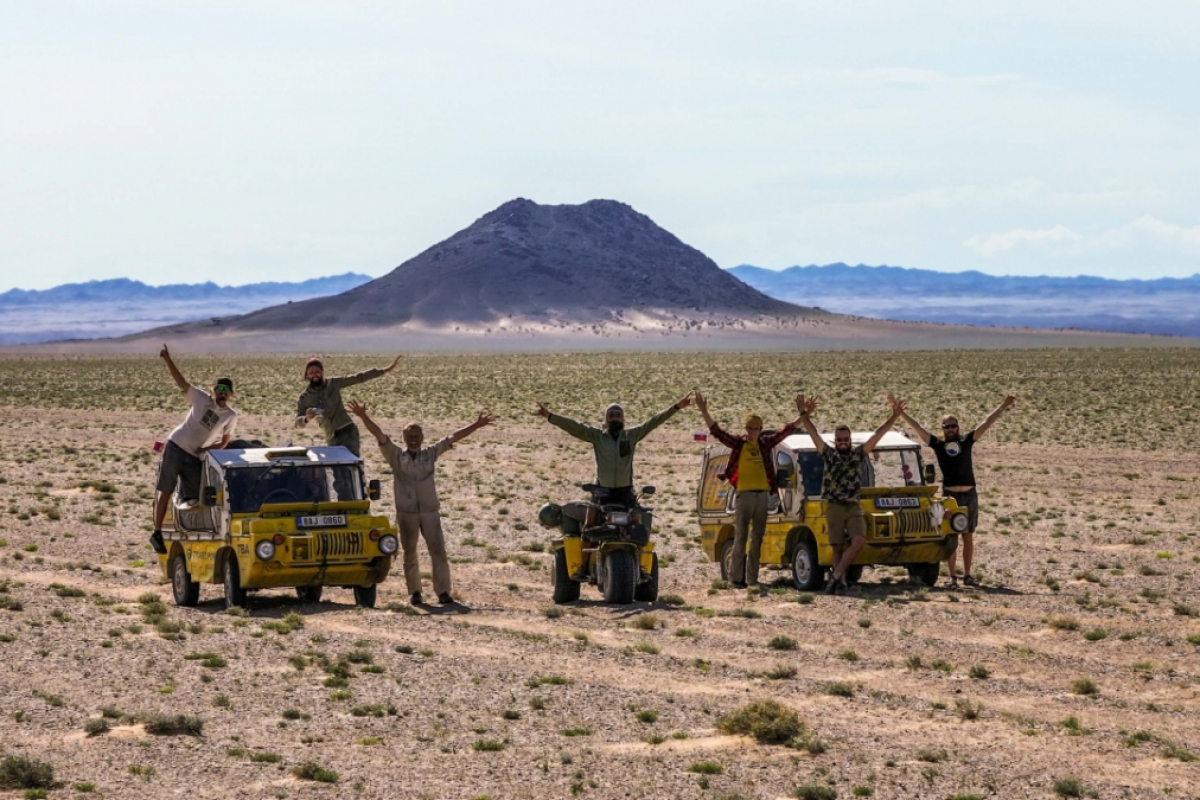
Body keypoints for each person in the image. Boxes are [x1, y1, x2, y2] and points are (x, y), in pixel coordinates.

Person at [348, 400, 495, 606]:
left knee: (439, 552)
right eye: (410, 436)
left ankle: (443, 592)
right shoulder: (396, 456)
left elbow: (453, 437)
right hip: (406, 513)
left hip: (430, 512)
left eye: (417, 436)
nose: (414, 439)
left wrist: (476, 425)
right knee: (410, 553)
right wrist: (363, 416)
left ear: (422, 438)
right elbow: (379, 434)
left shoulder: (430, 454)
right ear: (404, 439)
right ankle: (415, 592)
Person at [889, 394, 1016, 588]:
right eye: (947, 427)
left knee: (968, 535)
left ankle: (967, 575)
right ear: (943, 430)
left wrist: (1003, 406)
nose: (950, 429)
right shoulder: (938, 445)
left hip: (969, 494)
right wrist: (901, 415)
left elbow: (986, 423)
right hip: (950, 496)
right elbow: (919, 430)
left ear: (958, 427)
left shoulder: (966, 441)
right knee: (950, 536)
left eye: (953, 426)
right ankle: (951, 577)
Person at [694, 393, 806, 589]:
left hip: (762, 496)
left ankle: (752, 579)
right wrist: (704, 410)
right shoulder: (739, 444)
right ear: (745, 429)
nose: (753, 431)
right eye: (750, 428)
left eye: (757, 428)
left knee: (757, 540)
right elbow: (717, 431)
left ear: (761, 429)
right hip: (743, 497)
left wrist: (804, 414)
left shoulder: (765, 444)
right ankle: (736, 579)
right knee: (741, 537)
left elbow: (787, 430)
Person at [797, 396, 902, 595]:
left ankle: (835, 575)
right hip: (834, 505)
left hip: (853, 505)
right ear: (835, 441)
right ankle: (841, 584)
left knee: (858, 541)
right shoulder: (828, 454)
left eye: (846, 439)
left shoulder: (857, 455)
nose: (843, 442)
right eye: (839, 440)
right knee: (837, 546)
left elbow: (877, 435)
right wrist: (804, 414)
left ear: (850, 440)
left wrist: (893, 417)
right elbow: (812, 433)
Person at [151, 344, 238, 554]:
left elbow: (225, 441)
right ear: (214, 390)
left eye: (227, 391)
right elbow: (181, 382)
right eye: (220, 389)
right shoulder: (200, 399)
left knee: (200, 494)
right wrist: (168, 359)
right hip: (175, 446)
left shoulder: (230, 416)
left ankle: (192, 530)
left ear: (231, 394)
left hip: (193, 457)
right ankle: (157, 533)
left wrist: (207, 449)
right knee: (166, 490)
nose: (222, 393)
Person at [535, 395, 693, 508]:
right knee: (589, 526)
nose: (615, 418)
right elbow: (575, 427)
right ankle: (584, 555)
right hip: (603, 491)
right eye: (611, 415)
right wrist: (550, 416)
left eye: (618, 415)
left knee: (637, 523)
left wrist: (677, 407)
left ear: (623, 419)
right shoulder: (597, 436)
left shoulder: (632, 436)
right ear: (606, 419)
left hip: (625, 491)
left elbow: (653, 421)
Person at [295, 355, 402, 456]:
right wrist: (306, 419)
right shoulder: (304, 398)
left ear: (322, 372)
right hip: (332, 437)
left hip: (348, 432)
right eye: (311, 372)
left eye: (317, 371)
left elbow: (358, 378)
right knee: (338, 470)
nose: (315, 374)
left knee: (353, 466)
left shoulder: (333, 384)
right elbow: (297, 424)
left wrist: (384, 370)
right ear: (307, 375)